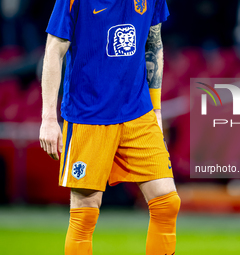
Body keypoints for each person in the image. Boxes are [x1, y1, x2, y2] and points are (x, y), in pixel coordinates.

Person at [39, 0, 180, 254]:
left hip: (138, 111)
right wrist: (49, 118)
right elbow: (54, 49)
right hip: (88, 114)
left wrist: (157, 109)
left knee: (167, 202)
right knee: (86, 210)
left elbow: (153, 42)